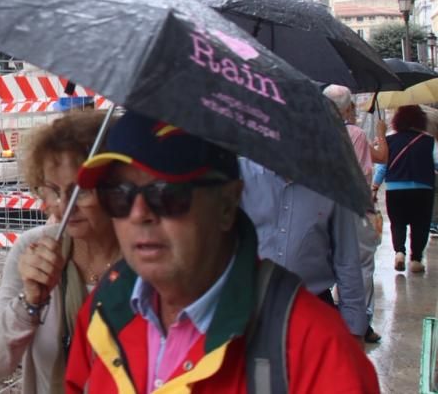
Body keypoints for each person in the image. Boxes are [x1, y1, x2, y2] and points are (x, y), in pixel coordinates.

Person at [65, 110, 378, 393]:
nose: (139, 214)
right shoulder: (104, 309)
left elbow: (349, 261)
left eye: (167, 194)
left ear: (228, 205)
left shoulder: (317, 349)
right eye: (118, 195)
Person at [0, 109, 121, 394]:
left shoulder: (142, 258)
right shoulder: (31, 250)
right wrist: (30, 302)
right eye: (53, 190)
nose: (65, 205)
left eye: (82, 191)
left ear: (117, 187)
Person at [239, 158, 367, 340]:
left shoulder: (332, 183)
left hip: (313, 308)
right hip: (250, 310)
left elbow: (346, 258)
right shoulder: (240, 176)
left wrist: (354, 329)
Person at [324, 84, 387, 343]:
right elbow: (380, 158)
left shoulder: (320, 133)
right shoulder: (356, 134)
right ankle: (360, 322)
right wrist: (381, 133)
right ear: (348, 107)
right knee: (360, 265)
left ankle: (339, 315)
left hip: (327, 202)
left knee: (335, 263)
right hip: (355, 206)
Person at [372, 104, 436, 273]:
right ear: (420, 120)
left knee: (397, 223)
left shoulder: (390, 140)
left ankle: (399, 252)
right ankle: (415, 259)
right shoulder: (428, 140)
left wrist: (375, 186)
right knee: (420, 224)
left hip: (395, 188)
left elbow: (382, 167)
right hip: (423, 188)